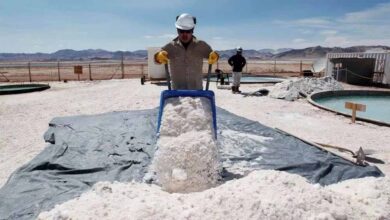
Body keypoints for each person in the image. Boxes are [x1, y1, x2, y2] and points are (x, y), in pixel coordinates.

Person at [154, 13, 219, 90]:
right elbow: (156, 61)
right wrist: (158, 57)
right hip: (177, 93)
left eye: (188, 31)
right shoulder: (170, 47)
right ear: (177, 30)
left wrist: (215, 56)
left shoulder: (201, 45)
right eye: (181, 31)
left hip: (197, 92)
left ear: (192, 31)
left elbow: (214, 56)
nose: (184, 34)